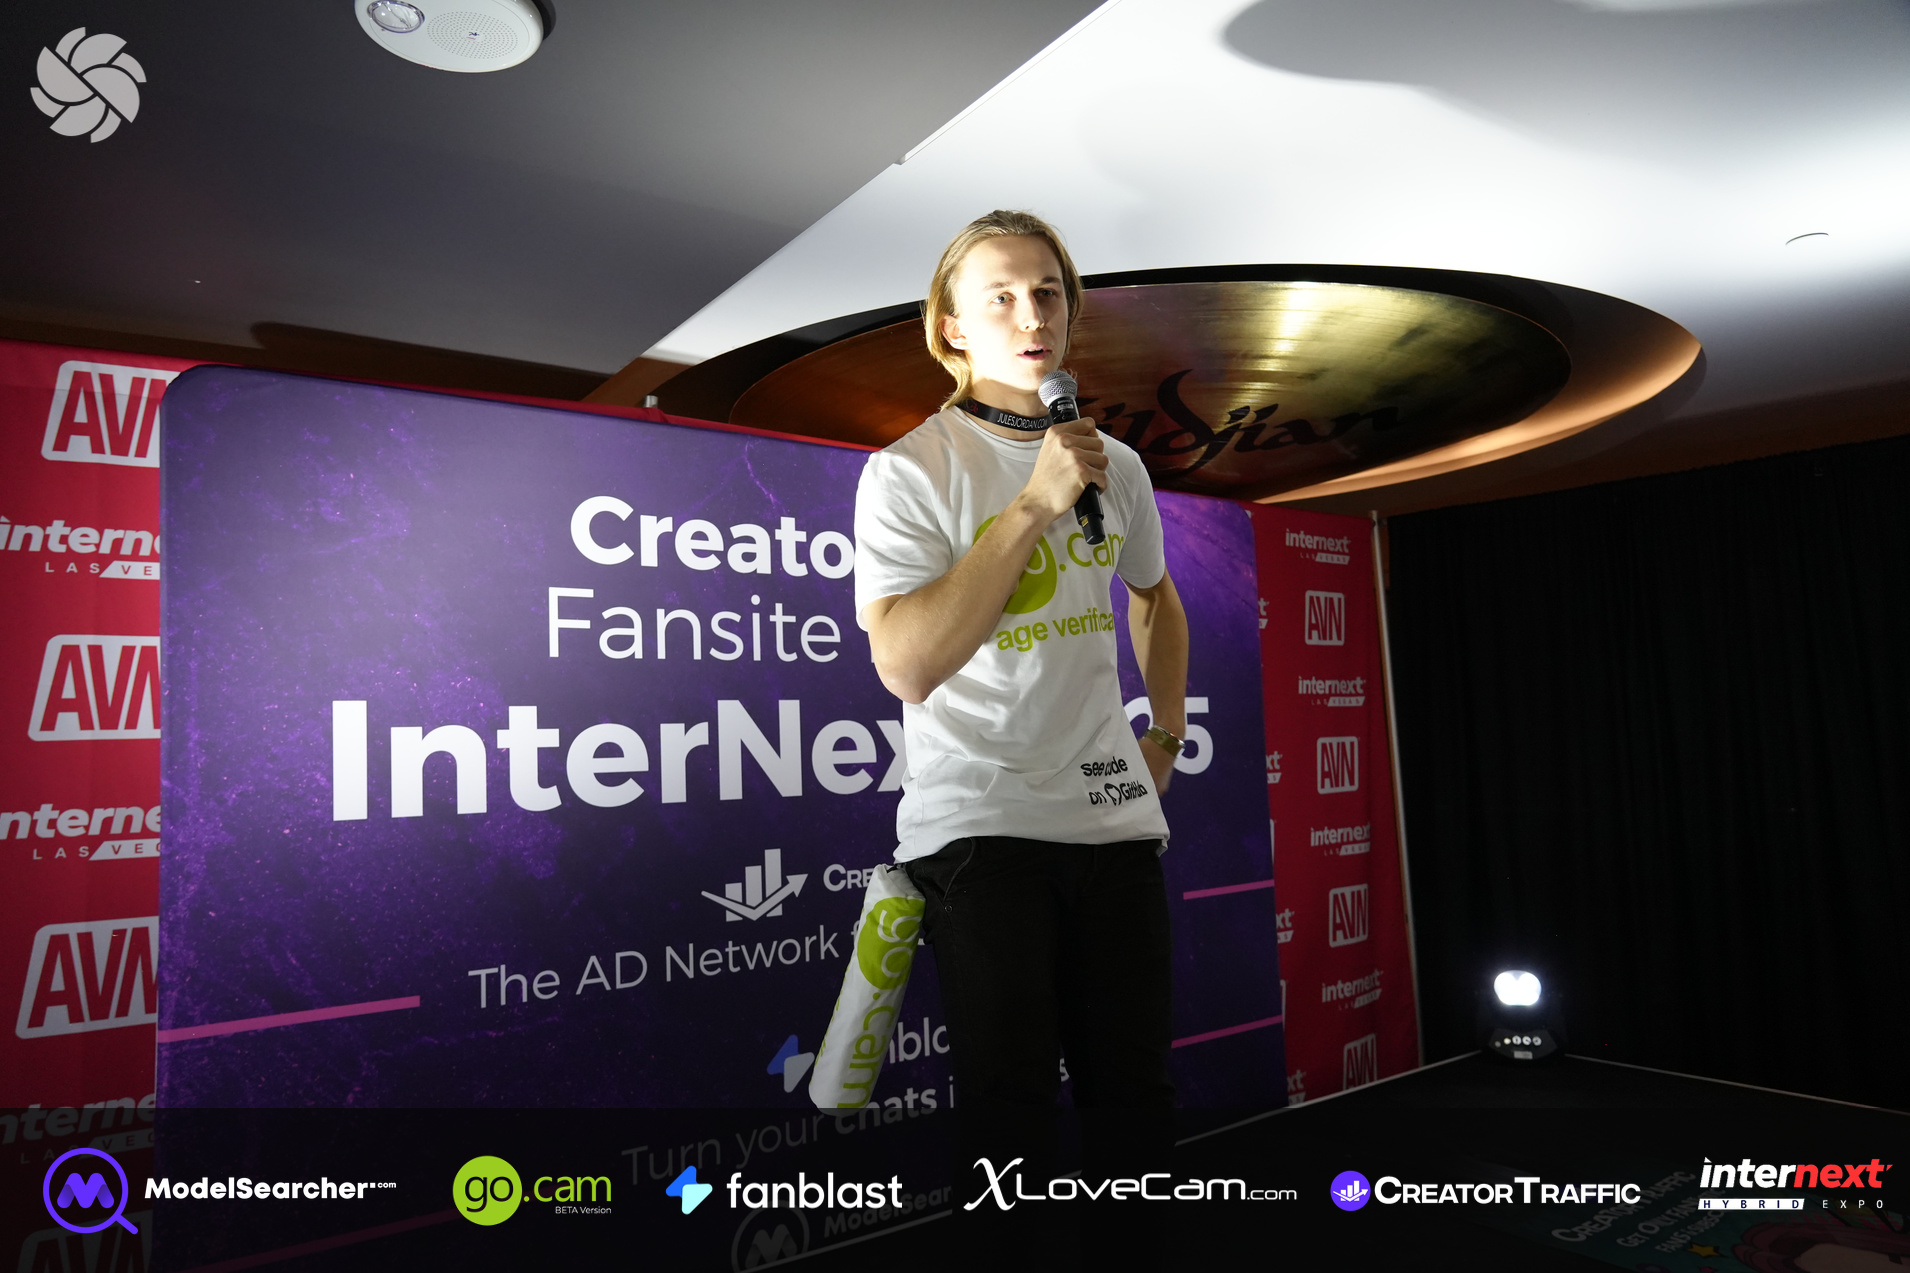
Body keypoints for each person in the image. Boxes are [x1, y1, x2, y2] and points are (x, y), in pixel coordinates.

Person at [852, 209, 1189, 1127]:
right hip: (982, 825)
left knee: (1138, 1102)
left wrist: (1164, 734)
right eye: (999, 296)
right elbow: (907, 666)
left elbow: (1155, 598)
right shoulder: (909, 470)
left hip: (1114, 818)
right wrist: (1035, 502)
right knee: (1012, 1114)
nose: (1032, 314)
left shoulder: (1116, 464)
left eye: (1047, 292)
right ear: (952, 327)